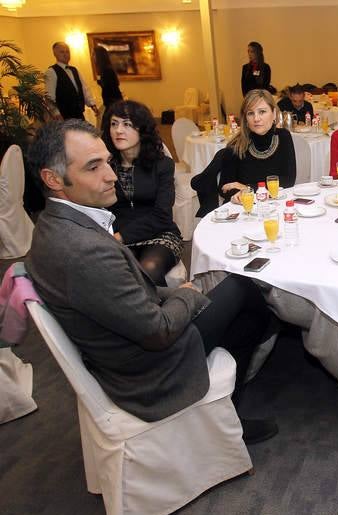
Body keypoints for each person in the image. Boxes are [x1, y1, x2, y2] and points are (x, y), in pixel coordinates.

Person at [25, 119, 282, 443]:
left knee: (236, 294)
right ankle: (225, 419)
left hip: (123, 346)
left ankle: (224, 406)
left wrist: (178, 292)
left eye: (108, 161)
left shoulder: (54, 225)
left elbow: (126, 292)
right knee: (247, 290)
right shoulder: (81, 250)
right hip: (151, 370)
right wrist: (186, 296)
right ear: (53, 178)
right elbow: (157, 330)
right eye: (93, 167)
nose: (111, 176)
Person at [100, 100, 182, 287]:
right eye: (114, 124)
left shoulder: (162, 165)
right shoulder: (104, 167)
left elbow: (162, 216)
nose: (118, 130)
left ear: (142, 130)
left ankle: (163, 315)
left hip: (159, 235)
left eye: (127, 124)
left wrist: (121, 237)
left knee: (148, 270)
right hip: (115, 238)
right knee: (114, 278)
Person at [219, 89, 296, 204]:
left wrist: (247, 188)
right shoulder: (236, 145)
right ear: (245, 118)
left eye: (262, 112)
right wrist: (242, 191)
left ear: (274, 113)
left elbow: (288, 180)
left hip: (275, 204)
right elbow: (225, 188)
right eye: (250, 113)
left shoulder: (283, 137)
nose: (256, 119)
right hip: (245, 208)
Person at [45, 42, 99, 121]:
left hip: (78, 113)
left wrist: (92, 104)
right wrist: (56, 112)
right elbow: (49, 95)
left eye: (67, 52)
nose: (65, 54)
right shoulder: (51, 71)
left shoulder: (74, 70)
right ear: (55, 54)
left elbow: (84, 88)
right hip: (64, 116)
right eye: (62, 52)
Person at [92, 46, 123, 112]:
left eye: (94, 54)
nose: (93, 57)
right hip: (112, 102)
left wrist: (100, 82)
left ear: (99, 56)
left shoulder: (107, 70)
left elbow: (110, 87)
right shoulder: (105, 69)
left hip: (113, 103)